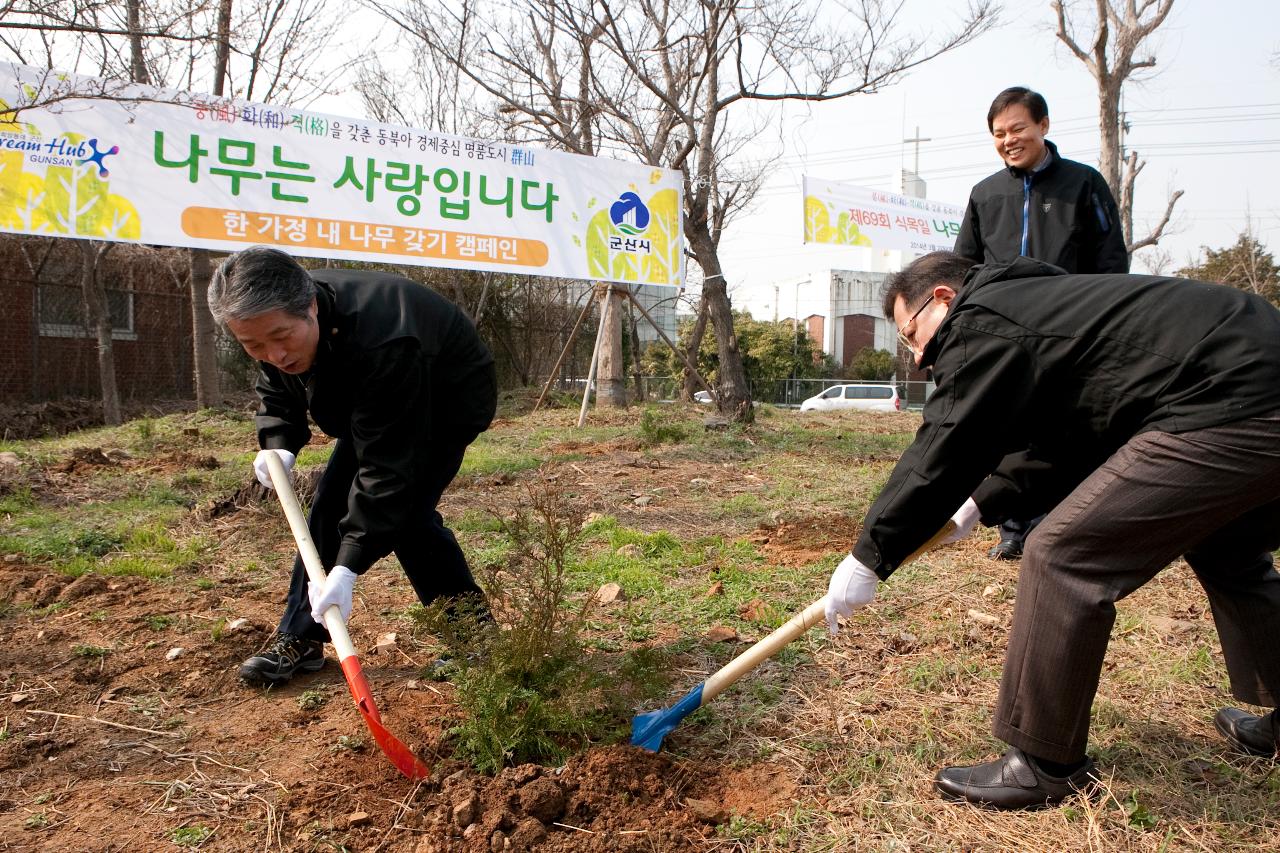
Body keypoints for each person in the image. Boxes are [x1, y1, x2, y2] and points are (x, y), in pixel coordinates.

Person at [825, 251, 1280, 809]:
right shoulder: (1044, 312)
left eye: (911, 334)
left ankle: (1043, 763)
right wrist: (978, 502)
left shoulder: (983, 316)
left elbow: (947, 438)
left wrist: (871, 553)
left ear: (942, 298)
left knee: (1062, 555)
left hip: (1231, 400)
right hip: (1251, 383)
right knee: (1230, 550)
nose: (919, 359)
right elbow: (1077, 437)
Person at [208, 247, 497, 687]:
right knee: (328, 502)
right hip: (374, 397)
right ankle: (302, 637)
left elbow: (387, 470)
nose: (274, 353)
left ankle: (477, 643)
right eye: (253, 345)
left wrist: (348, 567)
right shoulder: (273, 317)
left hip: (445, 395)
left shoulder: (385, 338)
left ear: (309, 308)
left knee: (408, 516)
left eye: (281, 337)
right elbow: (278, 387)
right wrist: (279, 442)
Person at [955, 86, 1130, 560]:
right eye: (998, 133)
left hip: (1073, 329)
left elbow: (1110, 259)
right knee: (1009, 429)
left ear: (1043, 126)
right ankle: (1012, 527)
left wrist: (1105, 321)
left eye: (1018, 129)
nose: (1009, 140)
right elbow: (963, 266)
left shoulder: (1084, 184)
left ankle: (1058, 524)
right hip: (1007, 333)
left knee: (1068, 428)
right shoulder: (985, 194)